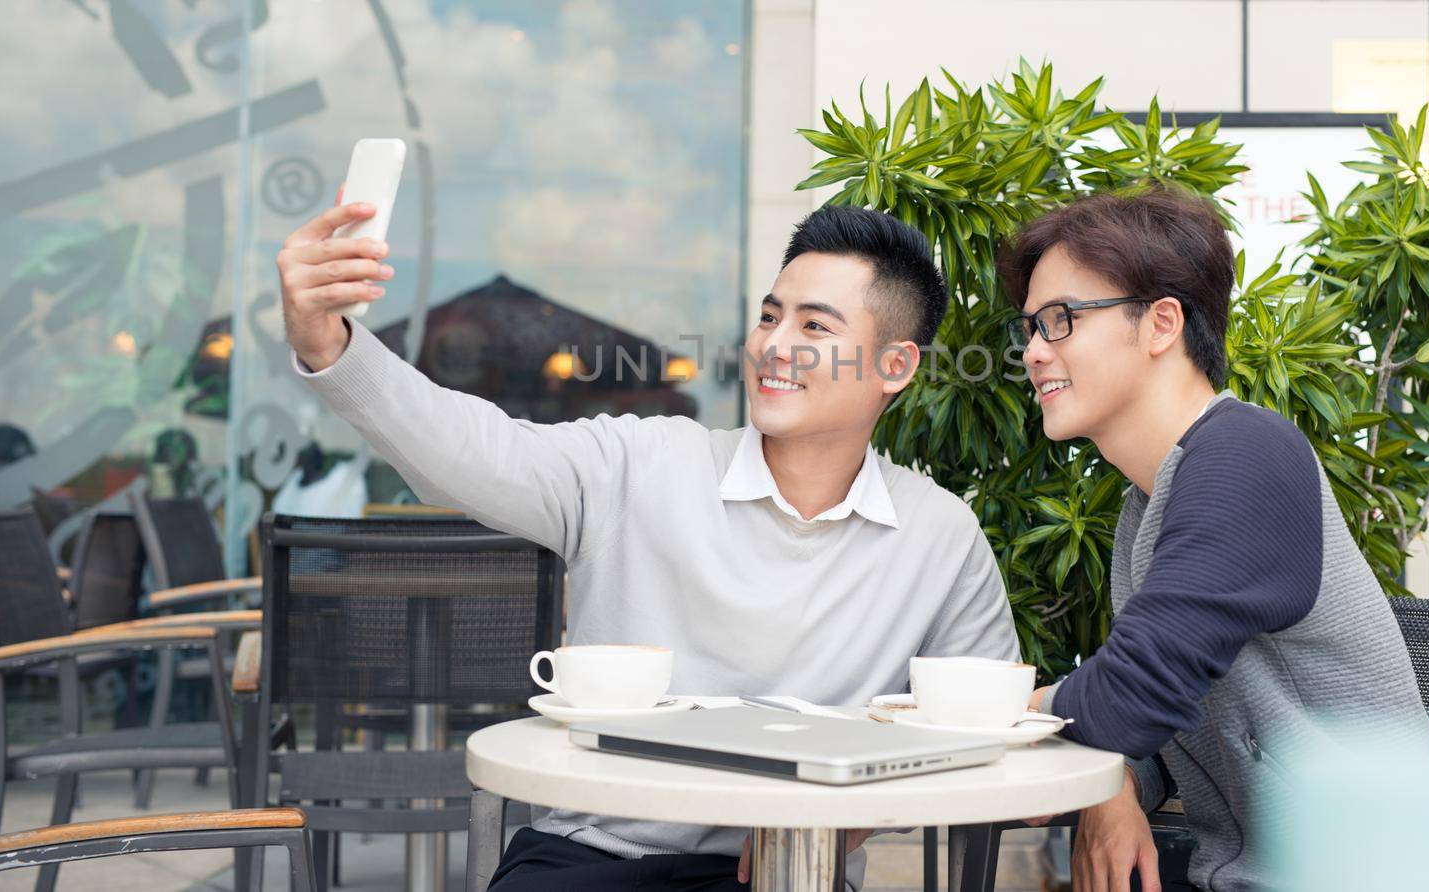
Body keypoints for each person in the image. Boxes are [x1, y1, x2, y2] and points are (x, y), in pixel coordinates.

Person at [277, 200, 1018, 891]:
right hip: (591, 858)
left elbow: (984, 736)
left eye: (815, 328)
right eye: (769, 316)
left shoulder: (939, 535)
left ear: (895, 367)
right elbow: (471, 448)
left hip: (790, 871)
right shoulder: (641, 464)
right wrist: (331, 344)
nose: (773, 346)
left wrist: (838, 820)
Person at [999, 188, 1429, 892]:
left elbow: (1130, 699)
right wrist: (1114, 784)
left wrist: (977, 716)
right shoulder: (1150, 504)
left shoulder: (1246, 455)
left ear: (1161, 323)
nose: (1035, 353)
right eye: (1030, 329)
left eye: (1061, 320)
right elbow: (1161, 724)